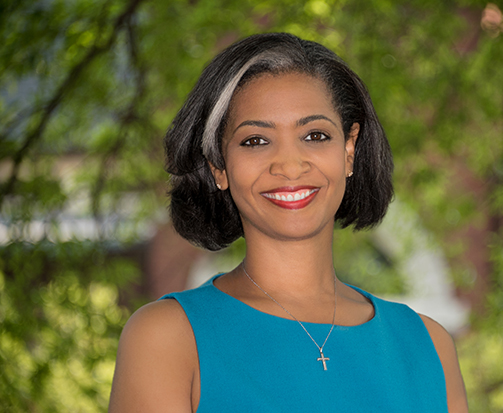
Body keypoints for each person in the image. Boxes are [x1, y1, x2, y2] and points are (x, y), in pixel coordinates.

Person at [108, 32, 468, 412]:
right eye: (255, 141)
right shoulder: (166, 338)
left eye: (315, 135)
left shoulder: (429, 346)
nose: (290, 165)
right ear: (218, 166)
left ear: (349, 150)